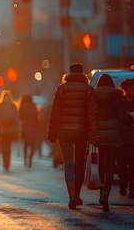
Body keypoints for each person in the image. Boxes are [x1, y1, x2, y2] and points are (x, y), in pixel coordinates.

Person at [47, 63, 99, 210]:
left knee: (68, 163)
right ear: (83, 74)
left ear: (69, 74)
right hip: (81, 132)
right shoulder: (88, 89)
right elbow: (92, 114)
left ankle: (71, 196)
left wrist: (52, 133)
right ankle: (77, 196)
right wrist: (95, 134)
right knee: (79, 164)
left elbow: (55, 113)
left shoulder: (61, 89)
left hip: (64, 132)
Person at [94, 74, 127, 212]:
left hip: (100, 134)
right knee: (109, 166)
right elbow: (120, 116)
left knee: (101, 163)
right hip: (113, 135)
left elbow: (91, 113)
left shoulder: (93, 96)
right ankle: (106, 196)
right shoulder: (117, 96)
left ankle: (101, 192)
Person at [0, 90, 19, 171]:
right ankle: (5, 160)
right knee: (4, 146)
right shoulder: (0, 106)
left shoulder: (13, 106)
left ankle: (7, 162)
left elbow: (16, 118)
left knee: (8, 146)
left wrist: (17, 128)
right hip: (2, 129)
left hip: (10, 130)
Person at [118, 78, 134, 199]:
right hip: (122, 137)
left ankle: (131, 189)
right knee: (122, 164)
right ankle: (123, 186)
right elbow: (119, 116)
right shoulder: (120, 101)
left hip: (131, 138)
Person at [19, 95, 40, 168]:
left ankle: (25, 159)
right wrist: (38, 127)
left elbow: (19, 117)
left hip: (24, 128)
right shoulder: (33, 106)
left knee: (25, 145)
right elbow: (37, 117)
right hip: (33, 128)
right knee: (32, 145)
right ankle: (30, 157)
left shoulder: (22, 106)